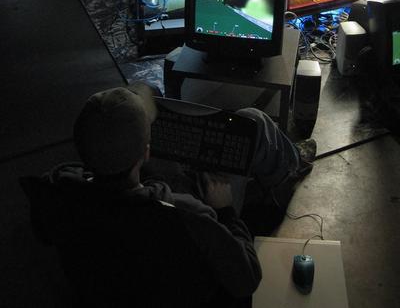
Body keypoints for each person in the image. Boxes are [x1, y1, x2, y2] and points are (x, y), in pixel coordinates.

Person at [43, 83, 316, 305]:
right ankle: (291, 168)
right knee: (253, 121)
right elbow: (247, 279)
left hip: (123, 260)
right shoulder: (190, 215)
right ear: (146, 152)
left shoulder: (59, 189)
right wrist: (225, 211)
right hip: (181, 264)